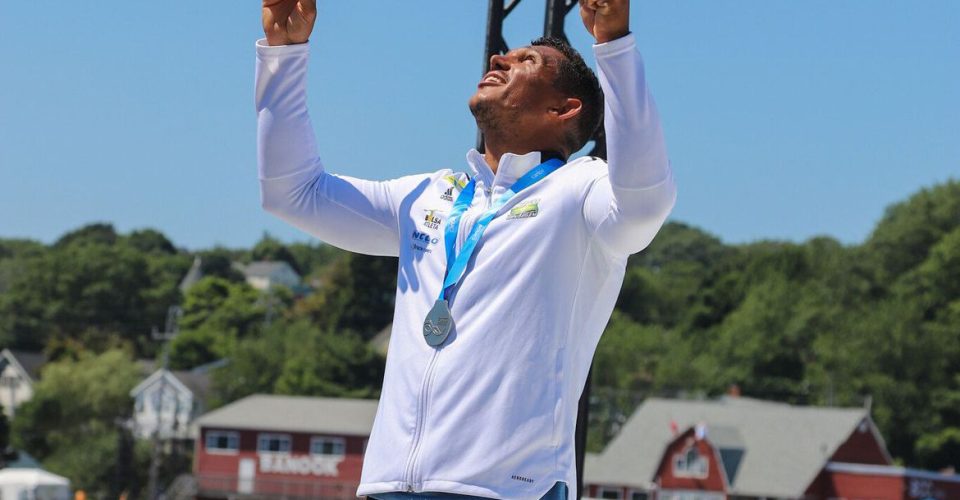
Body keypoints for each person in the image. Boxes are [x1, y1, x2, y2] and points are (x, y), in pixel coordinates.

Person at [255, 0, 675, 498]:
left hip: (507, 489)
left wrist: (614, 44)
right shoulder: (430, 195)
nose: (499, 61)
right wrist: (284, 54)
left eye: (527, 62)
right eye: (505, 57)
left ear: (563, 109)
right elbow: (293, 193)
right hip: (389, 485)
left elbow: (646, 204)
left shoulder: (582, 192)